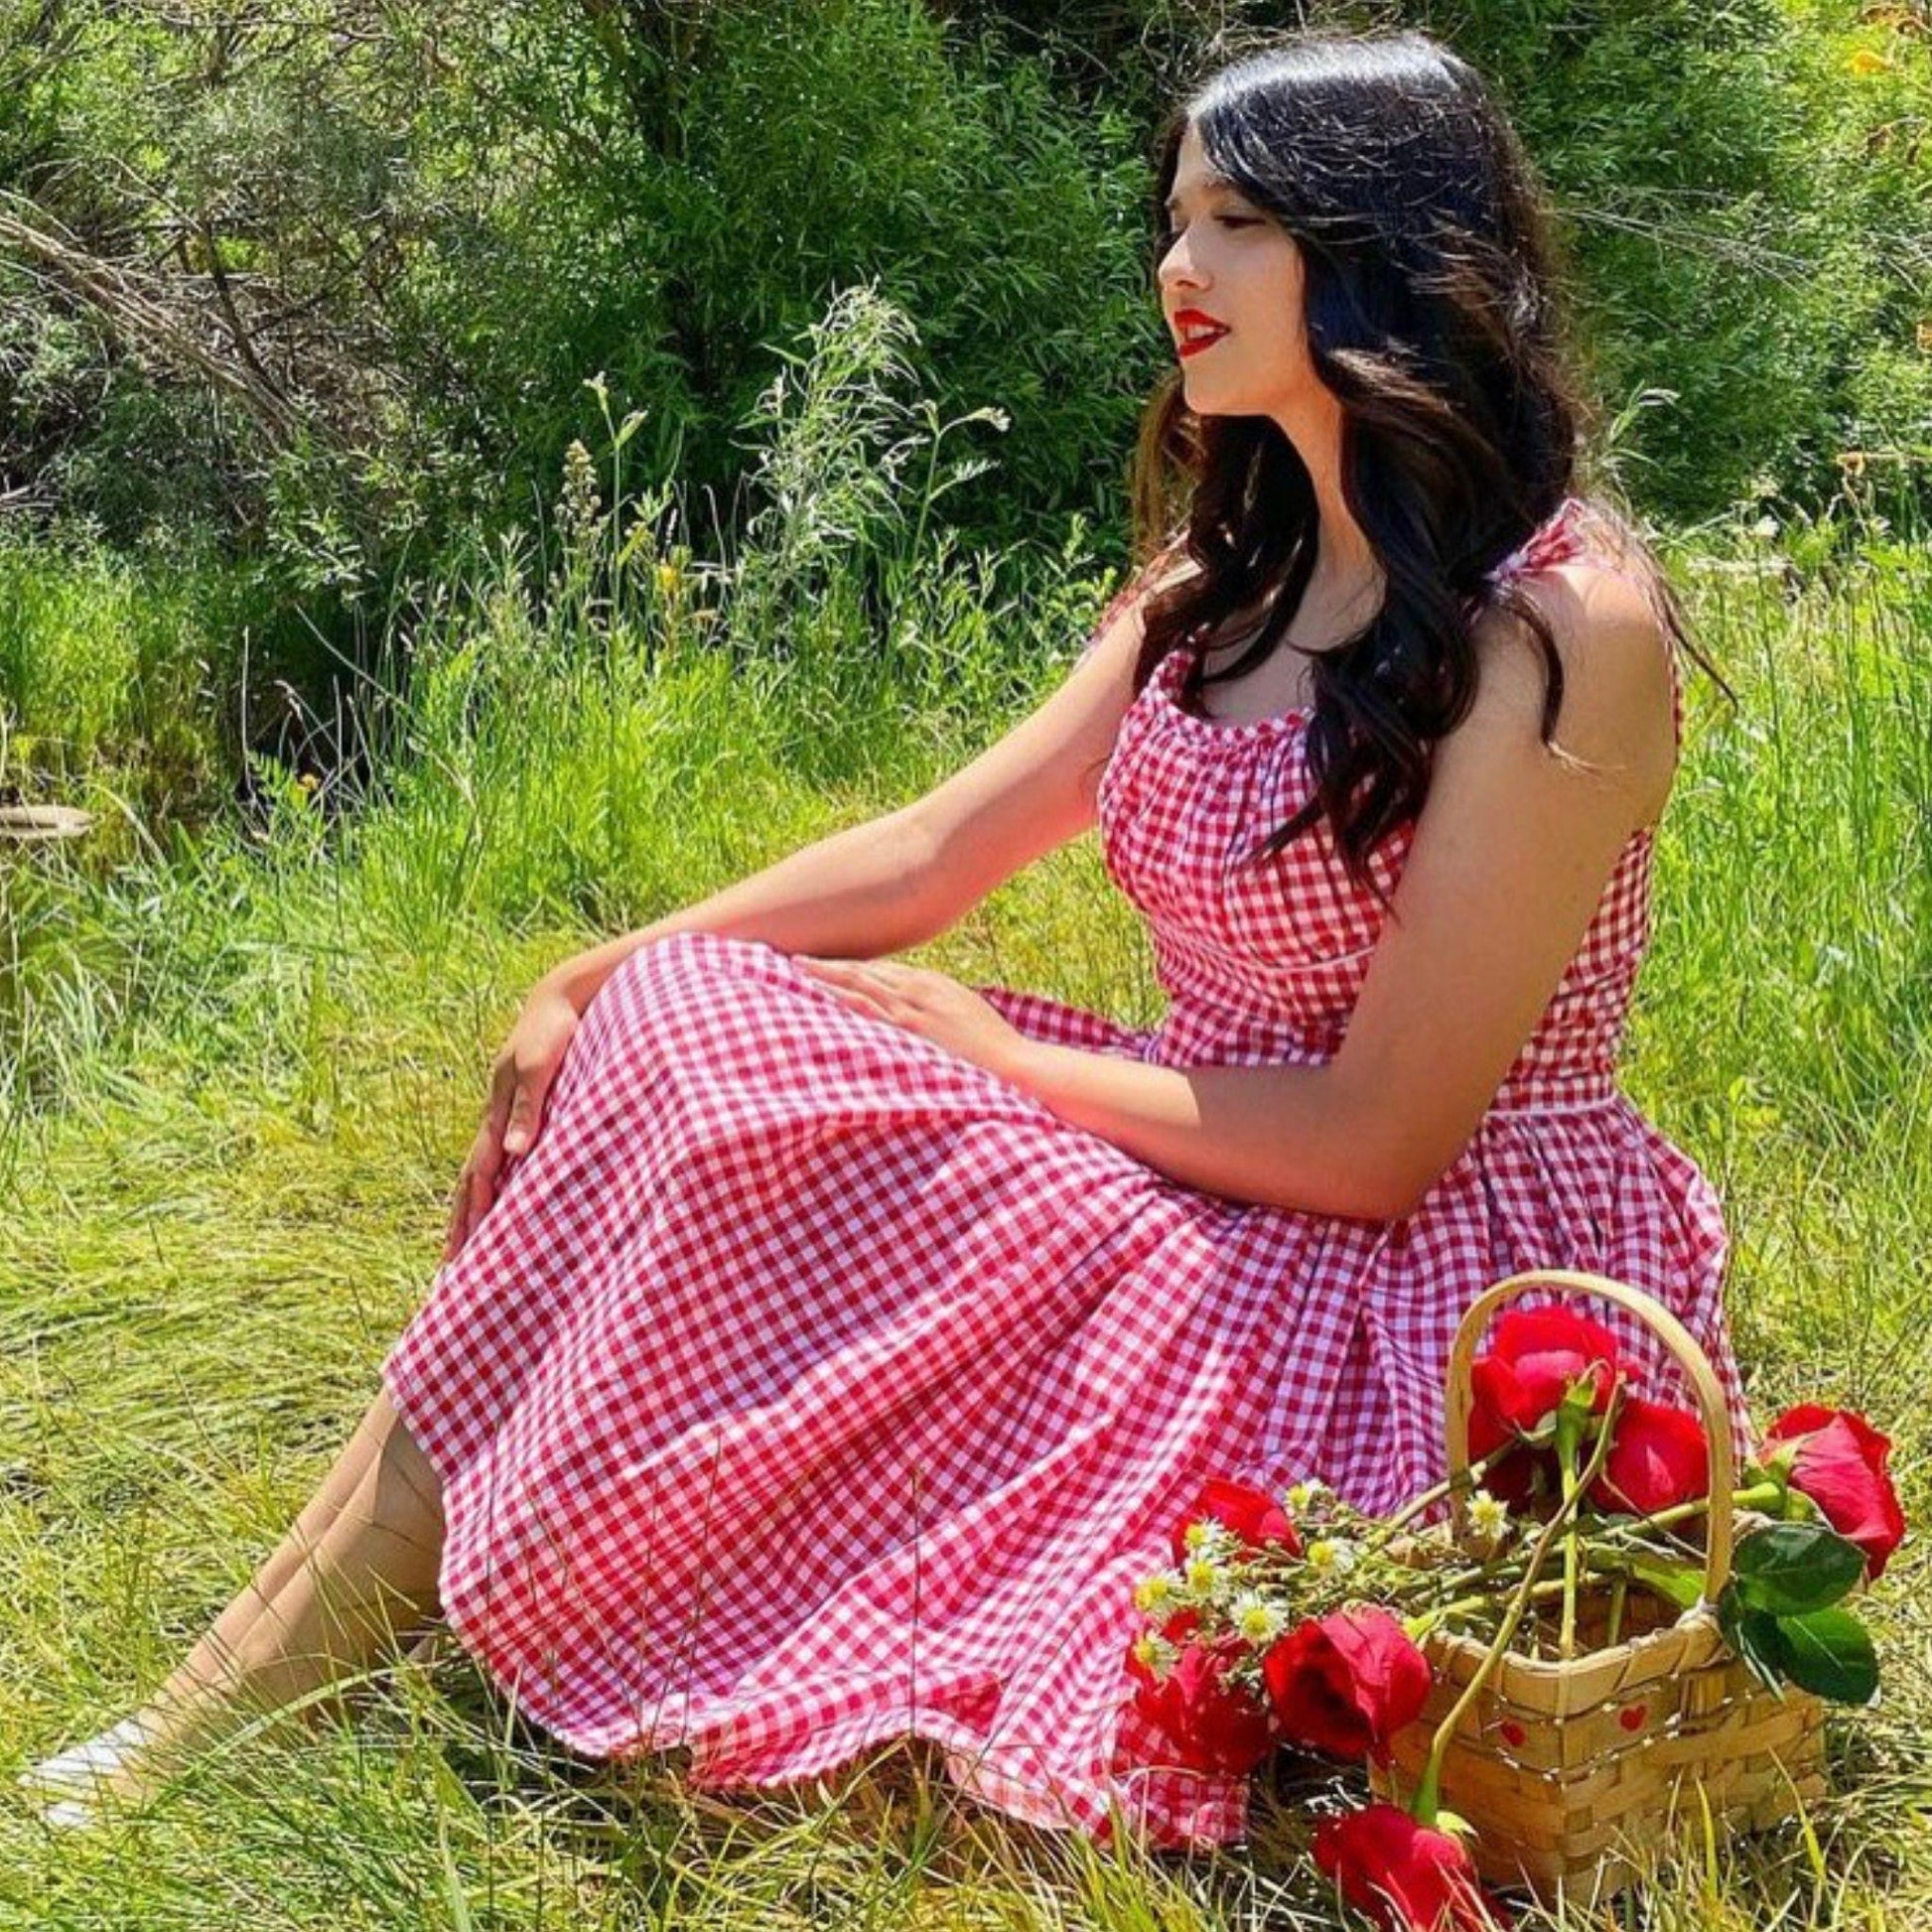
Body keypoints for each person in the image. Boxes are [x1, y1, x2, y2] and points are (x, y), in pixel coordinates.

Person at [24, 28, 1753, 1853]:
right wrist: (593, 974)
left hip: (1422, 1253)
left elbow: (1376, 1141)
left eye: (1234, 222)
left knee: (764, 1083)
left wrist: (985, 1048)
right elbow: (934, 846)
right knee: (690, 1018)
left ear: (1388, 247)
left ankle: (210, 1719)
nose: (1177, 271)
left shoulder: (1558, 622)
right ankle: (227, 1699)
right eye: (1173, 220)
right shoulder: (1221, 586)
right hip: (1205, 1151)